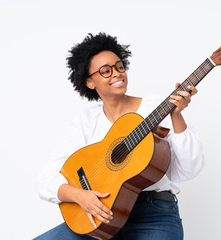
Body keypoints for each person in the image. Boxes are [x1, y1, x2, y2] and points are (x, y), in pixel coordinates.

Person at [34, 32, 204, 240]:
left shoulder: (155, 107)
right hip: (100, 215)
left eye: (119, 66)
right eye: (105, 71)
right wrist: (80, 196)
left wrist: (176, 116)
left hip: (153, 215)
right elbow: (47, 178)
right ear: (89, 82)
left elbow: (186, 171)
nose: (116, 74)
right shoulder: (86, 120)